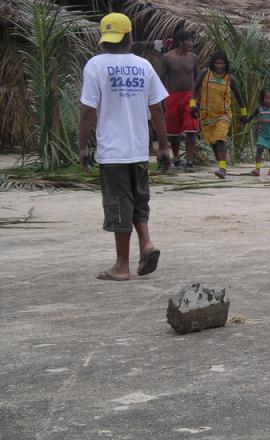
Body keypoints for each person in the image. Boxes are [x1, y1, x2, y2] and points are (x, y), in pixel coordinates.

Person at [78, 13, 170, 281]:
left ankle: (121, 266)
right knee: (138, 199)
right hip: (139, 149)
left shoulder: (95, 65)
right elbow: (157, 108)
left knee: (120, 205)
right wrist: (163, 146)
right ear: (129, 38)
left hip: (113, 152)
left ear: (105, 39)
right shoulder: (144, 66)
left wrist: (82, 147)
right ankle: (146, 244)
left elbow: (87, 110)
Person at [192, 51, 247, 179]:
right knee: (213, 142)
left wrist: (244, 114)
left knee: (220, 138)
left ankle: (222, 168)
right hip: (207, 114)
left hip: (224, 114)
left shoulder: (229, 79)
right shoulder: (205, 73)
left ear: (226, 64)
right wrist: (192, 105)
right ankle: (221, 164)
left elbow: (239, 97)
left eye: (222, 63)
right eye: (217, 63)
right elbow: (194, 88)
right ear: (213, 63)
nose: (219, 66)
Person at [159, 29, 199, 172]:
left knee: (191, 130)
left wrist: (195, 99)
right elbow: (161, 78)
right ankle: (176, 158)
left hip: (190, 96)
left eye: (191, 40)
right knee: (173, 131)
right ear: (181, 42)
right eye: (188, 40)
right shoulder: (167, 58)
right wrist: (162, 99)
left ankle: (189, 160)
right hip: (173, 96)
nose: (191, 43)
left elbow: (197, 79)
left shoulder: (193, 58)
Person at [245, 88, 270, 176]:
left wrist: (266, 121)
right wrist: (244, 121)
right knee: (259, 148)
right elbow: (251, 117)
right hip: (262, 133)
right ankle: (257, 169)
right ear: (262, 98)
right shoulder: (259, 108)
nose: (268, 100)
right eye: (266, 98)